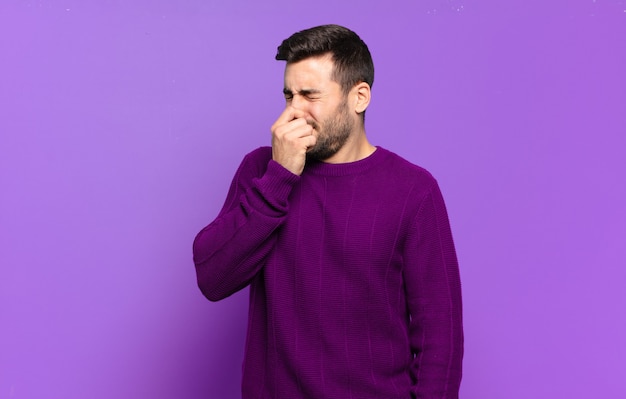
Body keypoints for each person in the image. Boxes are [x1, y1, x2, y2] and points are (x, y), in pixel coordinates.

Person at [193, 24, 463, 399]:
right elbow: (213, 278)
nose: (294, 111)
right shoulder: (261, 170)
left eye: (309, 95)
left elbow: (440, 332)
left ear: (359, 97)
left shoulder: (414, 190)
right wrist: (280, 177)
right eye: (288, 95)